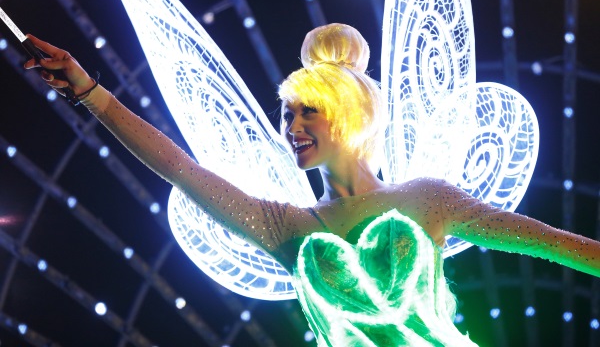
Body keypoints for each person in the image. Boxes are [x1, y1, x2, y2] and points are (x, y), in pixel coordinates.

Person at [25, 24, 600, 346]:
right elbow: (181, 168)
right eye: (287, 114)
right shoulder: (287, 227)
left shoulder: (427, 199)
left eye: (308, 113)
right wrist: (87, 92)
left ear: (347, 113)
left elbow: (557, 244)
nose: (291, 127)